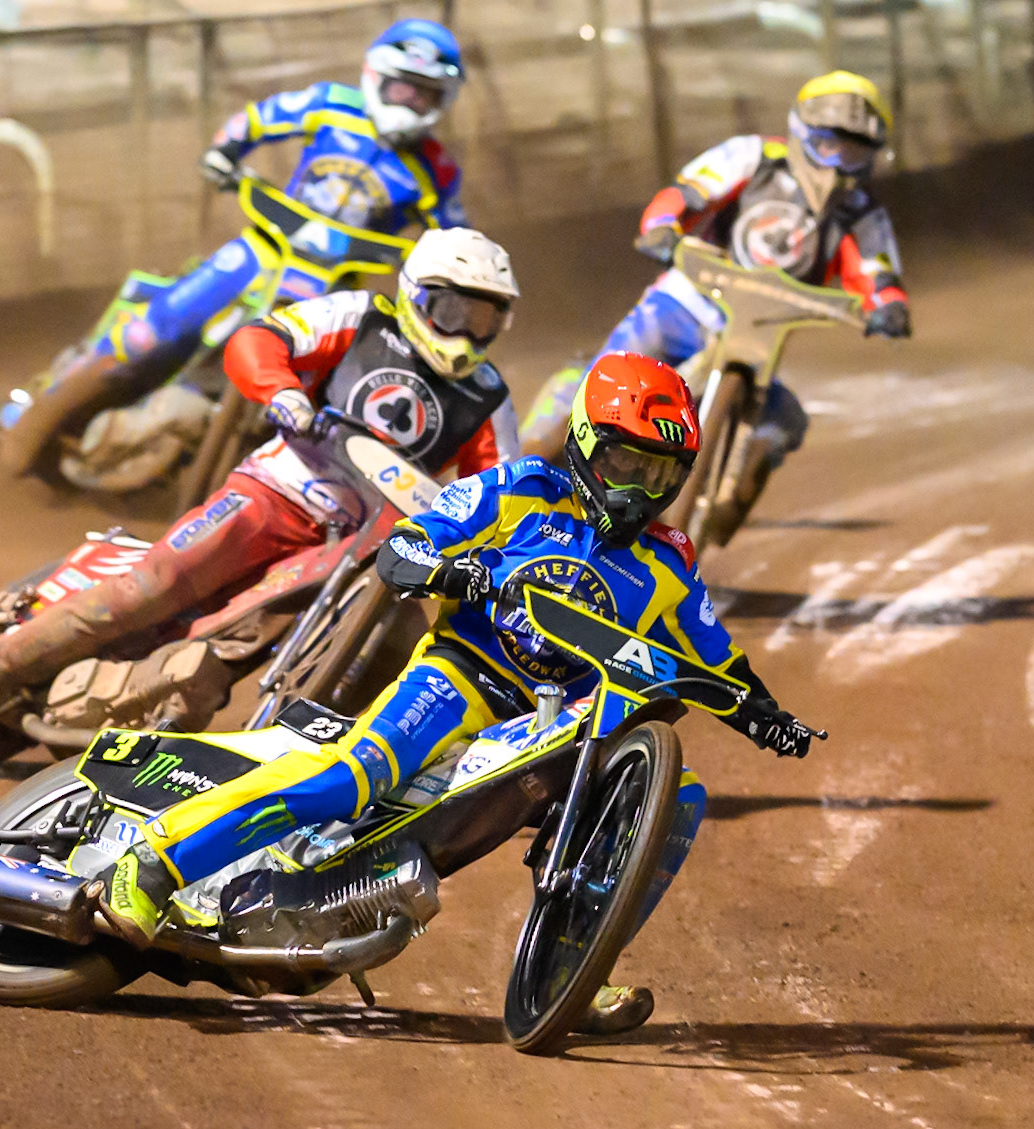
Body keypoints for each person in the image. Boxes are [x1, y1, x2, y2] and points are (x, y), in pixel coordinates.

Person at [98, 352, 817, 1035]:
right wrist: (452, 572)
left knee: (679, 798)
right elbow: (407, 546)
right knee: (346, 778)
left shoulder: (668, 559)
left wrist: (767, 716)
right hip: (459, 678)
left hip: (557, 721)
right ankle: (156, 862)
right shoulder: (522, 488)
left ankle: (576, 961)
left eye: (658, 471)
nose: (636, 487)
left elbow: (717, 658)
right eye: (624, 461)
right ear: (585, 442)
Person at [0, 227, 519, 727]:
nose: (467, 331)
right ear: (418, 295)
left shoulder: (489, 398)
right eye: (454, 310)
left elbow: (503, 492)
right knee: (151, 587)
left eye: (485, 317)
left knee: (241, 639)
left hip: (361, 545)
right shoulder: (363, 318)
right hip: (278, 491)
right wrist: (284, 392)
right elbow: (259, 339)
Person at [0, 19, 476, 473]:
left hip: (336, 285)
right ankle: (42, 405)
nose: (410, 100)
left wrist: (450, 280)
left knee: (324, 394)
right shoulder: (334, 104)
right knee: (156, 328)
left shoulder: (436, 170)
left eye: (424, 93)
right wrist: (224, 153)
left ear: (443, 99)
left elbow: (452, 235)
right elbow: (260, 119)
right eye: (402, 87)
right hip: (264, 248)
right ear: (377, 76)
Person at [519, 70, 912, 476]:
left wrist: (889, 308)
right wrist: (662, 227)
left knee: (784, 423)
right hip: (683, 302)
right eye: (828, 143)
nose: (837, 163)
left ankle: (729, 489)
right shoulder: (753, 156)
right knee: (604, 380)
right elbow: (689, 192)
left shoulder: (864, 215)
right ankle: (528, 459)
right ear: (802, 130)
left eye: (853, 152)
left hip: (760, 335)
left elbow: (877, 274)